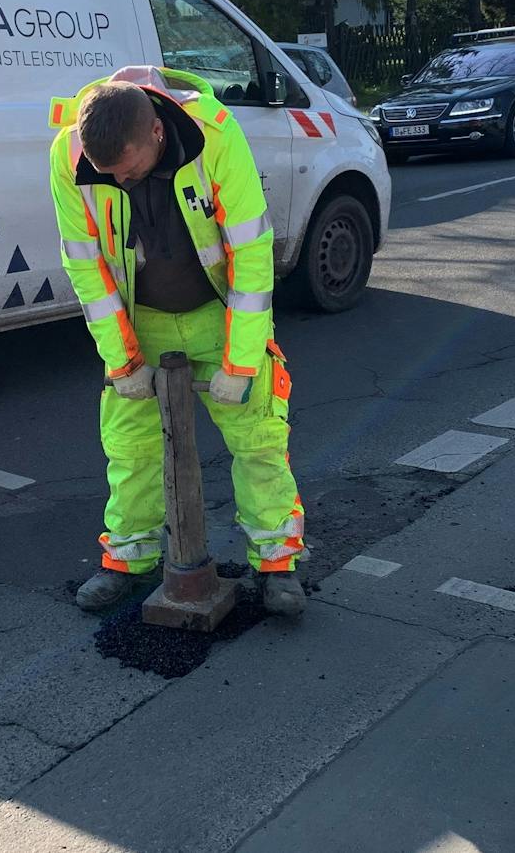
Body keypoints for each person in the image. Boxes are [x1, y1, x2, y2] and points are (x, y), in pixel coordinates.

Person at [48, 66, 305, 617]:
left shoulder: (215, 136)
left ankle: (277, 563)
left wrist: (239, 363)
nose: (119, 183)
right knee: (130, 447)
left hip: (218, 313)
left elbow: (251, 254)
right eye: (107, 174)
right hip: (141, 319)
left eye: (129, 171)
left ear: (158, 135)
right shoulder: (70, 154)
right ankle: (128, 558)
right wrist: (123, 362)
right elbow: (86, 267)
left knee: (259, 437)